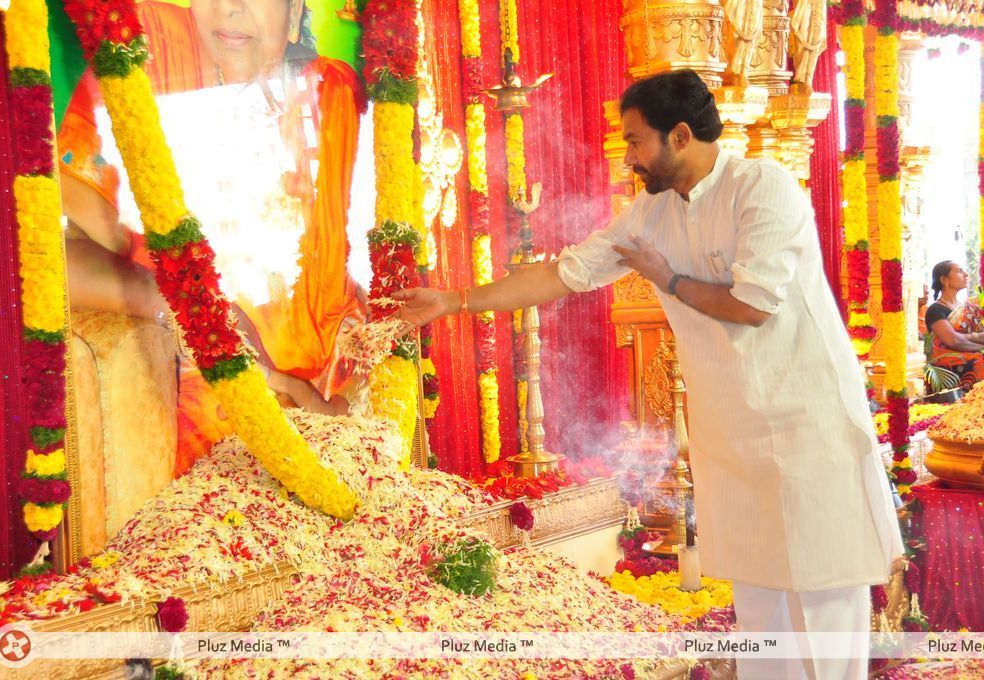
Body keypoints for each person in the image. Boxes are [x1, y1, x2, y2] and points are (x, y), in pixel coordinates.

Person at [395, 69, 903, 679]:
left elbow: (751, 305)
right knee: (763, 617)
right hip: (735, 441)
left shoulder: (762, 189)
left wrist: (667, 278)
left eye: (636, 141)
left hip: (805, 429)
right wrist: (454, 301)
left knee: (821, 608)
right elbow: (564, 273)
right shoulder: (651, 211)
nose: (628, 156)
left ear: (680, 135)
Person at [59, 0, 366, 474]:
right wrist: (192, 297)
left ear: (295, 9)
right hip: (198, 394)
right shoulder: (152, 48)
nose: (230, 9)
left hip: (314, 393)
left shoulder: (332, 94)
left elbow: (350, 266)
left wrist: (306, 392)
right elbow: (76, 201)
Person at [923, 260, 984, 390]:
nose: (966, 274)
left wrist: (972, 338)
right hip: (948, 368)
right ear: (945, 280)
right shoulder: (936, 310)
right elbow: (953, 340)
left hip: (972, 356)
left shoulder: (970, 307)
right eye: (960, 271)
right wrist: (977, 341)